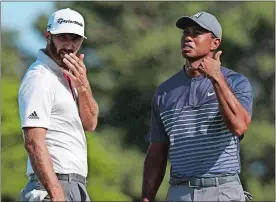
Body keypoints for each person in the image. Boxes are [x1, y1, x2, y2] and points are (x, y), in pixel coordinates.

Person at [141, 11, 253, 201]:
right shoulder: (164, 91)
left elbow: (239, 125)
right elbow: (157, 151)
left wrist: (216, 77)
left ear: (214, 43)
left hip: (222, 189)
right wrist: (146, 198)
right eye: (186, 32)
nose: (188, 38)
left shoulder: (235, 82)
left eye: (196, 33)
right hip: (180, 192)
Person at [19, 8, 99, 202]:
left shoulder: (67, 77)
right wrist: (57, 195)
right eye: (63, 37)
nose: (69, 45)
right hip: (52, 187)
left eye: (75, 39)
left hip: (75, 185)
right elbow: (33, 142)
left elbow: (90, 124)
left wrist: (83, 85)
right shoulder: (40, 77)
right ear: (48, 36)